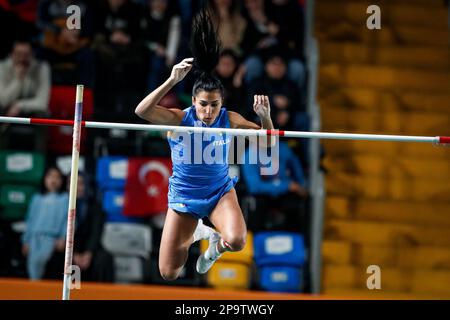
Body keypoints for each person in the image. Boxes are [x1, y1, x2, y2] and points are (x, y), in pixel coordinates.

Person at [135, 8, 275, 280]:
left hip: (219, 192)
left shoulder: (229, 119)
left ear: (221, 103)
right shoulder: (179, 119)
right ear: (193, 102)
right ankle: (201, 231)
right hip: (184, 198)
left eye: (214, 105)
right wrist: (172, 80)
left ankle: (215, 246)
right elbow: (142, 111)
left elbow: (267, 143)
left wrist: (266, 118)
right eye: (203, 105)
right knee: (169, 272)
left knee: (237, 240)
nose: (208, 111)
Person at [21, 166, 68, 280]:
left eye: (57, 177)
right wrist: (26, 240)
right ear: (44, 179)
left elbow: (68, 220)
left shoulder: (64, 198)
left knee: (44, 266)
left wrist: (63, 237)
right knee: (32, 268)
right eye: (50, 176)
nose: (53, 180)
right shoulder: (37, 198)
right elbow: (30, 220)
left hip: (51, 238)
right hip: (34, 239)